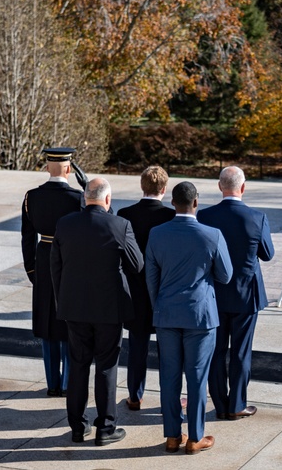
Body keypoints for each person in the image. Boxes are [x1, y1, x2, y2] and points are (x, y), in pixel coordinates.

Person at [51, 177, 143, 447]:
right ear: (107, 199)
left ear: (85, 198)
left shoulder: (65, 224)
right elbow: (137, 265)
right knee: (106, 367)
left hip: (74, 308)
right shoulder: (119, 225)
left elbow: (55, 266)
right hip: (108, 309)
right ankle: (106, 428)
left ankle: (78, 428)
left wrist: (63, 300)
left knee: (78, 365)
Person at [146, 181, 232, 455]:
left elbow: (151, 278)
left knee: (169, 378)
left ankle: (172, 436)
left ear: (173, 203)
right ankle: (195, 437)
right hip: (200, 316)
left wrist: (159, 306)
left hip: (167, 314)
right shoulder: (212, 235)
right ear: (197, 203)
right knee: (197, 377)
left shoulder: (156, 234)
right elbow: (226, 275)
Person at [198, 166, 275, 421]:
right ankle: (237, 404)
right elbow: (267, 254)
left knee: (216, 351)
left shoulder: (205, 216)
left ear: (220, 187)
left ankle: (220, 404)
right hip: (246, 295)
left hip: (215, 295)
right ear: (243, 187)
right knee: (241, 352)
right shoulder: (257, 217)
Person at [20, 147, 82, 397]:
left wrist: (32, 268)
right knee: (67, 321)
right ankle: (67, 383)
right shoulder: (77, 197)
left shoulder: (31, 197)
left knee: (46, 323)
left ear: (47, 167)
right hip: (70, 260)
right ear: (69, 168)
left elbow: (26, 237)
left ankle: (52, 383)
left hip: (44, 258)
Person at [116, 165, 176, 411]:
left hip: (135, 291)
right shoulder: (172, 216)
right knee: (167, 350)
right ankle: (167, 398)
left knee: (137, 348)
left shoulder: (124, 213)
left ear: (142, 186)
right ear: (164, 189)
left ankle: (134, 396)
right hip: (163, 291)